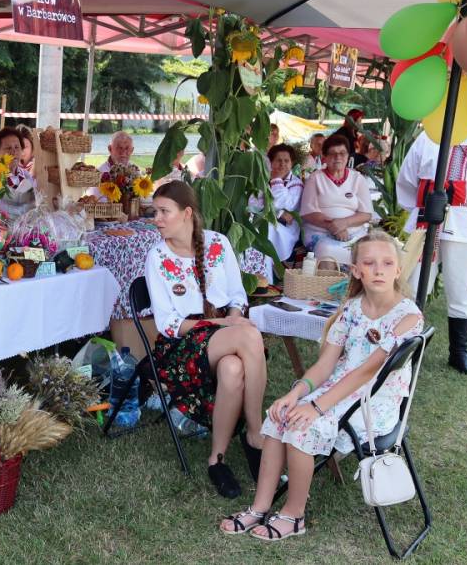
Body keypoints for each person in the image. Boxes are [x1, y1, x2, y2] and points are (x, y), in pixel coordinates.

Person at [220, 231, 423, 541]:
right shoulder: (351, 309)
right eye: (369, 263)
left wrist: (316, 407)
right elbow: (326, 365)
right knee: (280, 415)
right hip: (339, 389)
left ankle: (294, 515)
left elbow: (368, 371)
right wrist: (295, 394)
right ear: (356, 270)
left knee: (303, 427)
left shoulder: (408, 316)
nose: (379, 270)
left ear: (398, 270)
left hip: (376, 401)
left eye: (386, 263)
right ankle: (260, 506)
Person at [144, 181, 266, 499]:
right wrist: (226, 323)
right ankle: (256, 435)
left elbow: (237, 295)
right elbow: (168, 324)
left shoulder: (218, 243)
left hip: (226, 332)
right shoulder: (157, 256)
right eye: (155, 212)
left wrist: (233, 317)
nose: (156, 219)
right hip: (181, 346)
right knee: (250, 335)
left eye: (164, 212)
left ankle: (217, 459)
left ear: (187, 213)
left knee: (232, 369)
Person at [396, 131, 467, 376]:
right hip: (427, 219)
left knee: (461, 287)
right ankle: (405, 345)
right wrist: (422, 206)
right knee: (414, 285)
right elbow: (407, 178)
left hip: (465, 224)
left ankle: (459, 352)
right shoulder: (429, 134)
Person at [299, 134, 374, 267]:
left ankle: (354, 281)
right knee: (327, 252)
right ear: (325, 157)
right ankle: (327, 281)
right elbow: (308, 212)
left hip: (354, 232)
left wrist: (344, 223)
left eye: (342, 153)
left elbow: (366, 214)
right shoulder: (315, 178)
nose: (338, 157)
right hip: (320, 232)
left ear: (348, 156)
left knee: (365, 253)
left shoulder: (358, 178)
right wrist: (334, 227)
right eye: (332, 153)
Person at [242, 144, 304, 282]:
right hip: (269, 220)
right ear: (271, 162)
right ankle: (252, 276)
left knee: (265, 231)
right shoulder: (263, 179)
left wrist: (276, 180)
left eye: (286, 161)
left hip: (287, 229)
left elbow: (287, 204)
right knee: (252, 229)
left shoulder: (296, 184)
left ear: (292, 163)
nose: (282, 164)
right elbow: (252, 203)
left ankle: (266, 279)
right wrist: (279, 213)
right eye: (278, 160)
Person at [0, 127, 37, 218]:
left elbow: (34, 203)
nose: (13, 152)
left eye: (17, 147)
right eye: (8, 148)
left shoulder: (26, 175)